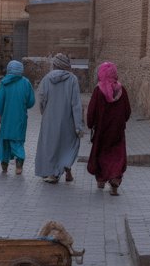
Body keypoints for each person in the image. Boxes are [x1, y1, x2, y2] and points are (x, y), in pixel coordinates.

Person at [34, 52, 84, 184]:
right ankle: (66, 167)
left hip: (50, 119)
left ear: (54, 65)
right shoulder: (72, 79)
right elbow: (76, 104)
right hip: (67, 119)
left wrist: (45, 113)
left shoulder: (46, 79)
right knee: (67, 144)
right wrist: (78, 125)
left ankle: (52, 173)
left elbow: (42, 100)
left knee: (51, 146)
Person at [86, 61, 132, 195]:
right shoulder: (121, 91)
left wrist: (90, 124)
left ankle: (101, 180)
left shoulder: (98, 90)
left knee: (101, 154)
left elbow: (91, 111)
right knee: (116, 155)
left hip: (101, 131)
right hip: (117, 131)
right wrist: (121, 121)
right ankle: (115, 180)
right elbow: (127, 111)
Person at [0, 59, 35, 174]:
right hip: (20, 118)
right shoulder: (26, 83)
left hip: (6, 119)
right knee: (18, 141)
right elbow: (31, 101)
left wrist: (0, 112)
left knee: (5, 141)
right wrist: (23, 105)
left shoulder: (4, 83)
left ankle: (4, 165)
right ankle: (19, 165)